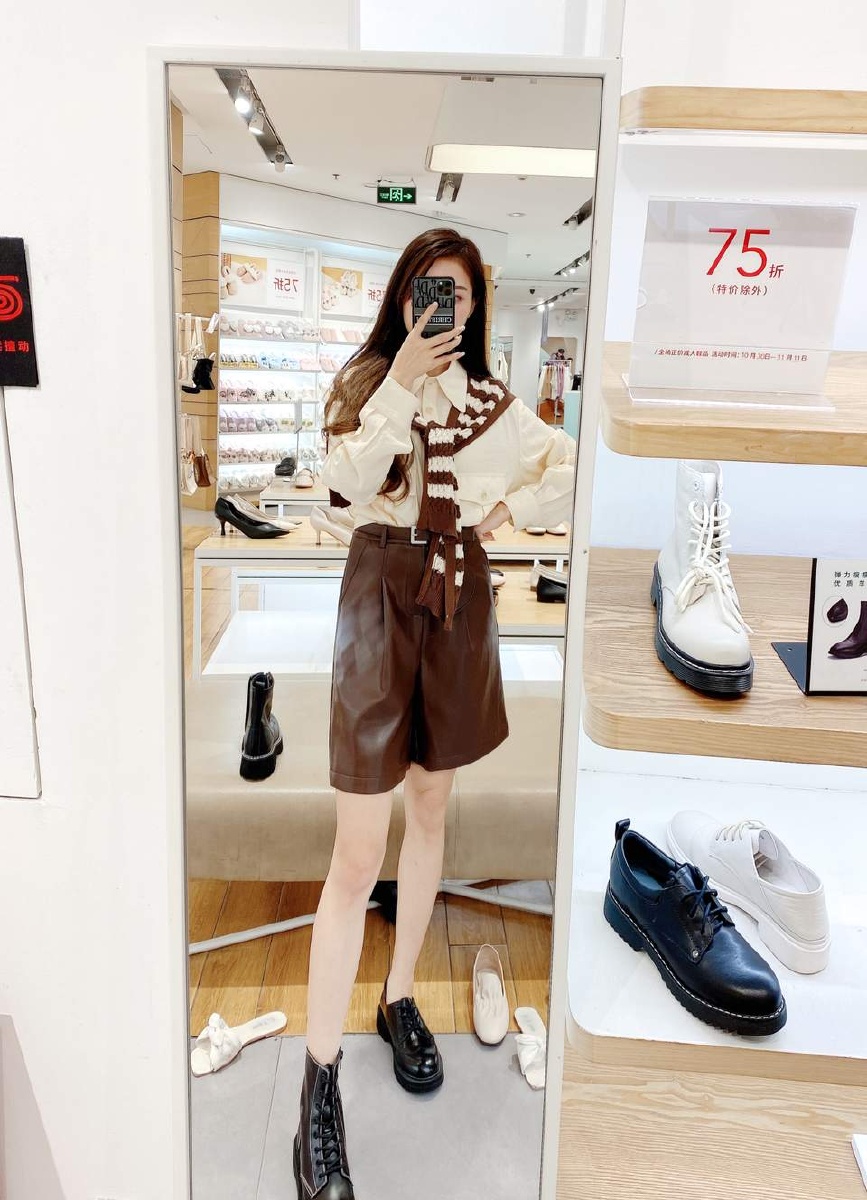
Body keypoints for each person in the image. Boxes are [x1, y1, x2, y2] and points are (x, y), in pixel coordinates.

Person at [293, 228, 575, 1200]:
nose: (438, 309)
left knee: (429, 811)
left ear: (477, 307)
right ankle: (318, 1081)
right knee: (354, 851)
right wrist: (402, 379)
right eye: (425, 290)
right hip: (378, 597)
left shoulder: (496, 406)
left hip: (458, 601)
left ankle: (400, 992)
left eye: (454, 294)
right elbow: (343, 483)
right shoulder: (365, 382)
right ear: (403, 296)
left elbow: (569, 462)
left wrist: (502, 517)